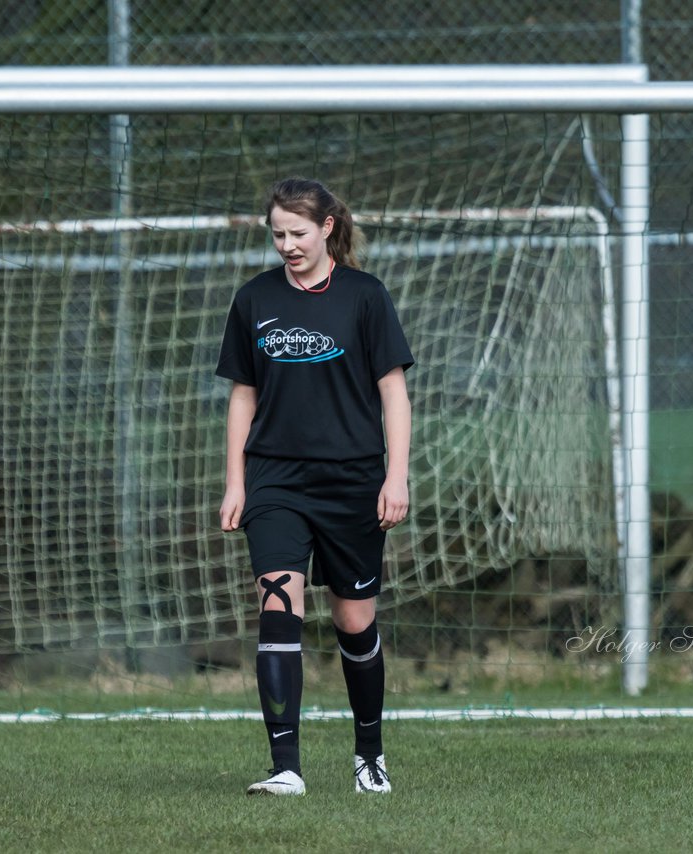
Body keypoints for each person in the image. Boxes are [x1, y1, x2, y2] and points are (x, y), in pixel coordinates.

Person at [216, 177, 413, 796]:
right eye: (277, 234)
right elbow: (242, 396)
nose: (287, 245)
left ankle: (370, 755)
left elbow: (393, 393)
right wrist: (234, 482)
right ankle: (285, 768)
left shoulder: (365, 297)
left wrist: (396, 474)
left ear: (328, 228)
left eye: (297, 233)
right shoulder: (253, 300)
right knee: (278, 607)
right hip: (275, 479)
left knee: (355, 621)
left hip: (353, 480)